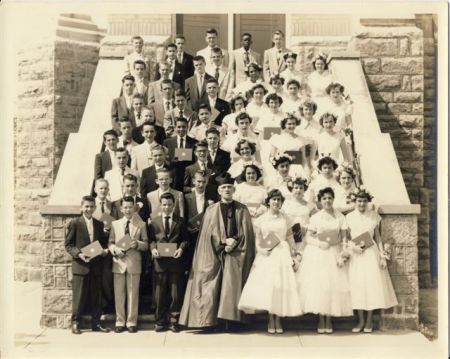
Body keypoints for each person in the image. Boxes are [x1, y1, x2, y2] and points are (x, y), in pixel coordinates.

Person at [179, 173, 255, 330]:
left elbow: (246, 232)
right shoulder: (211, 210)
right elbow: (207, 234)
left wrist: (234, 241)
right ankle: (211, 321)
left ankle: (234, 322)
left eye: (229, 187)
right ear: (219, 191)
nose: (227, 190)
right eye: (224, 187)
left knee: (233, 284)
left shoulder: (242, 209)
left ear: (233, 190)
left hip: (236, 252)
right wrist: (222, 243)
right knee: (210, 282)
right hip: (215, 251)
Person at [238, 189, 302, 334]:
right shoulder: (261, 219)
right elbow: (258, 238)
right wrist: (261, 250)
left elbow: (290, 237)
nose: (276, 202)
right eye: (274, 199)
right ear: (268, 201)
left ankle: (278, 319)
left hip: (282, 253)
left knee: (280, 286)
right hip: (267, 254)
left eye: (279, 200)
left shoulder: (286, 218)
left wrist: (294, 253)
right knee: (269, 287)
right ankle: (270, 319)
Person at [296, 187, 353, 333]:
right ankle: (321, 319)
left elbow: (345, 237)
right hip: (319, 253)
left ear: (333, 199)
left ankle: (329, 319)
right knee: (321, 286)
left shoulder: (340, 217)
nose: (327, 201)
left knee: (332, 286)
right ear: (320, 201)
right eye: (324, 198)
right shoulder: (315, 217)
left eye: (329, 198)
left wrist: (343, 253)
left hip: (334, 251)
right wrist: (319, 243)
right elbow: (308, 237)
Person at [346, 187, 398, 333]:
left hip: (370, 253)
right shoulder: (349, 217)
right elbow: (347, 238)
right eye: (358, 201)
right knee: (358, 286)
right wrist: (352, 247)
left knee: (371, 285)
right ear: (354, 202)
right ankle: (360, 320)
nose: (361, 204)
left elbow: (378, 237)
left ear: (368, 202)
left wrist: (382, 255)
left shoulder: (374, 216)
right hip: (356, 253)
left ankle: (369, 320)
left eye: (364, 201)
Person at [64, 195, 110, 334]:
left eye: (91, 206)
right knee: (79, 296)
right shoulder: (75, 223)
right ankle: (75, 323)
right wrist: (79, 254)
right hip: (81, 266)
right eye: (86, 206)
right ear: (81, 207)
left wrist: (104, 250)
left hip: (96, 266)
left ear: (95, 208)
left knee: (96, 297)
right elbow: (68, 245)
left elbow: (102, 243)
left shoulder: (99, 224)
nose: (89, 209)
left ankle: (96, 323)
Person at [108, 196, 149, 333]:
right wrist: (115, 250)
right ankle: (120, 321)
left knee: (133, 293)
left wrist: (138, 244)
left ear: (135, 208)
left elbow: (146, 244)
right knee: (119, 294)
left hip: (133, 263)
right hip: (119, 263)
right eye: (125, 207)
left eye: (130, 207)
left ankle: (131, 322)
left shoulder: (141, 224)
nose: (127, 210)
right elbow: (110, 243)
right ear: (121, 208)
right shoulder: (115, 224)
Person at [149, 192, 188, 332]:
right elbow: (151, 240)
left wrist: (181, 249)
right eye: (164, 204)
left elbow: (185, 239)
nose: (167, 207)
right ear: (160, 205)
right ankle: (160, 321)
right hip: (160, 262)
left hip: (175, 262)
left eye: (169, 204)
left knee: (175, 293)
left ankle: (174, 321)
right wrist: (153, 249)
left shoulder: (181, 221)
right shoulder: (154, 222)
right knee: (159, 294)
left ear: (174, 205)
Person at [92, 179, 119, 314]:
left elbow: (116, 223)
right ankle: (98, 305)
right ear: (96, 189)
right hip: (95, 244)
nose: (103, 191)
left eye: (105, 188)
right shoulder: (91, 205)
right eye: (100, 188)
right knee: (96, 274)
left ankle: (108, 302)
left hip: (109, 243)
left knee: (107, 274)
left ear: (108, 190)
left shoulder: (113, 206)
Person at [184, 170, 218, 272]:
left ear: (207, 182)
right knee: (190, 266)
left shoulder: (212, 198)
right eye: (198, 181)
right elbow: (183, 217)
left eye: (203, 182)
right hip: (190, 236)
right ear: (193, 181)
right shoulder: (186, 197)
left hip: (206, 236)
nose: (201, 184)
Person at [269, 114, 310, 179]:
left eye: (294, 123)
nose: (292, 126)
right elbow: (271, 157)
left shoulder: (301, 139)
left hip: (296, 169)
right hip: (282, 169)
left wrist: (306, 171)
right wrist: (278, 169)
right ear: (284, 124)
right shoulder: (276, 138)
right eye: (289, 124)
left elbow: (303, 159)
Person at [163, 117, 197, 191]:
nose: (181, 129)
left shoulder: (194, 143)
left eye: (184, 127)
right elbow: (165, 161)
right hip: (173, 177)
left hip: (187, 178)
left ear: (187, 128)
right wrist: (171, 161)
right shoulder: (167, 142)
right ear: (175, 128)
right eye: (179, 127)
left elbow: (195, 161)